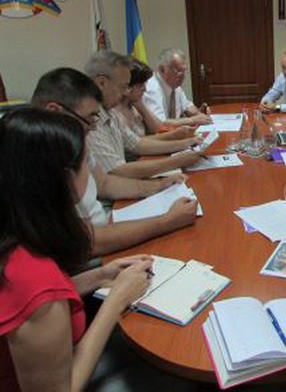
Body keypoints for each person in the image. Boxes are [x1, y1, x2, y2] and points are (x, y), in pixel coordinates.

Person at [0, 108, 151, 391]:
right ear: (67, 178)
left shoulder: (16, 232)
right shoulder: (33, 278)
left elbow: (47, 303)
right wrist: (116, 300)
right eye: (86, 163)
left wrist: (100, 275)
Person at [31, 67, 199, 256]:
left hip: (106, 226)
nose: (93, 127)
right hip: (92, 251)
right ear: (55, 111)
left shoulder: (74, 140)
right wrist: (168, 221)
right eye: (88, 118)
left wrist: (158, 186)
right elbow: (88, 242)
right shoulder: (34, 160)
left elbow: (104, 183)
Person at [84, 50, 209, 179]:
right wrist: (176, 161)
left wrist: (186, 143)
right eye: (123, 87)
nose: (126, 92)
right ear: (102, 83)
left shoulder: (109, 113)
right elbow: (116, 172)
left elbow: (137, 144)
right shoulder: (89, 122)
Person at [113, 58, 199, 160]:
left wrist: (142, 107)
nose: (145, 89)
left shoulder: (134, 105)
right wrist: (177, 138)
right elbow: (138, 144)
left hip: (149, 156)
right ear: (127, 87)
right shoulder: (115, 113)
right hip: (137, 162)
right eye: (140, 85)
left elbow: (157, 128)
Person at [143, 48, 212, 127]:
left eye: (184, 71)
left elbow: (188, 107)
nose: (183, 76)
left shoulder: (174, 86)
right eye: (178, 71)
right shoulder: (151, 88)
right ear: (162, 69)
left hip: (175, 132)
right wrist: (193, 120)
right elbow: (160, 123)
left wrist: (199, 113)